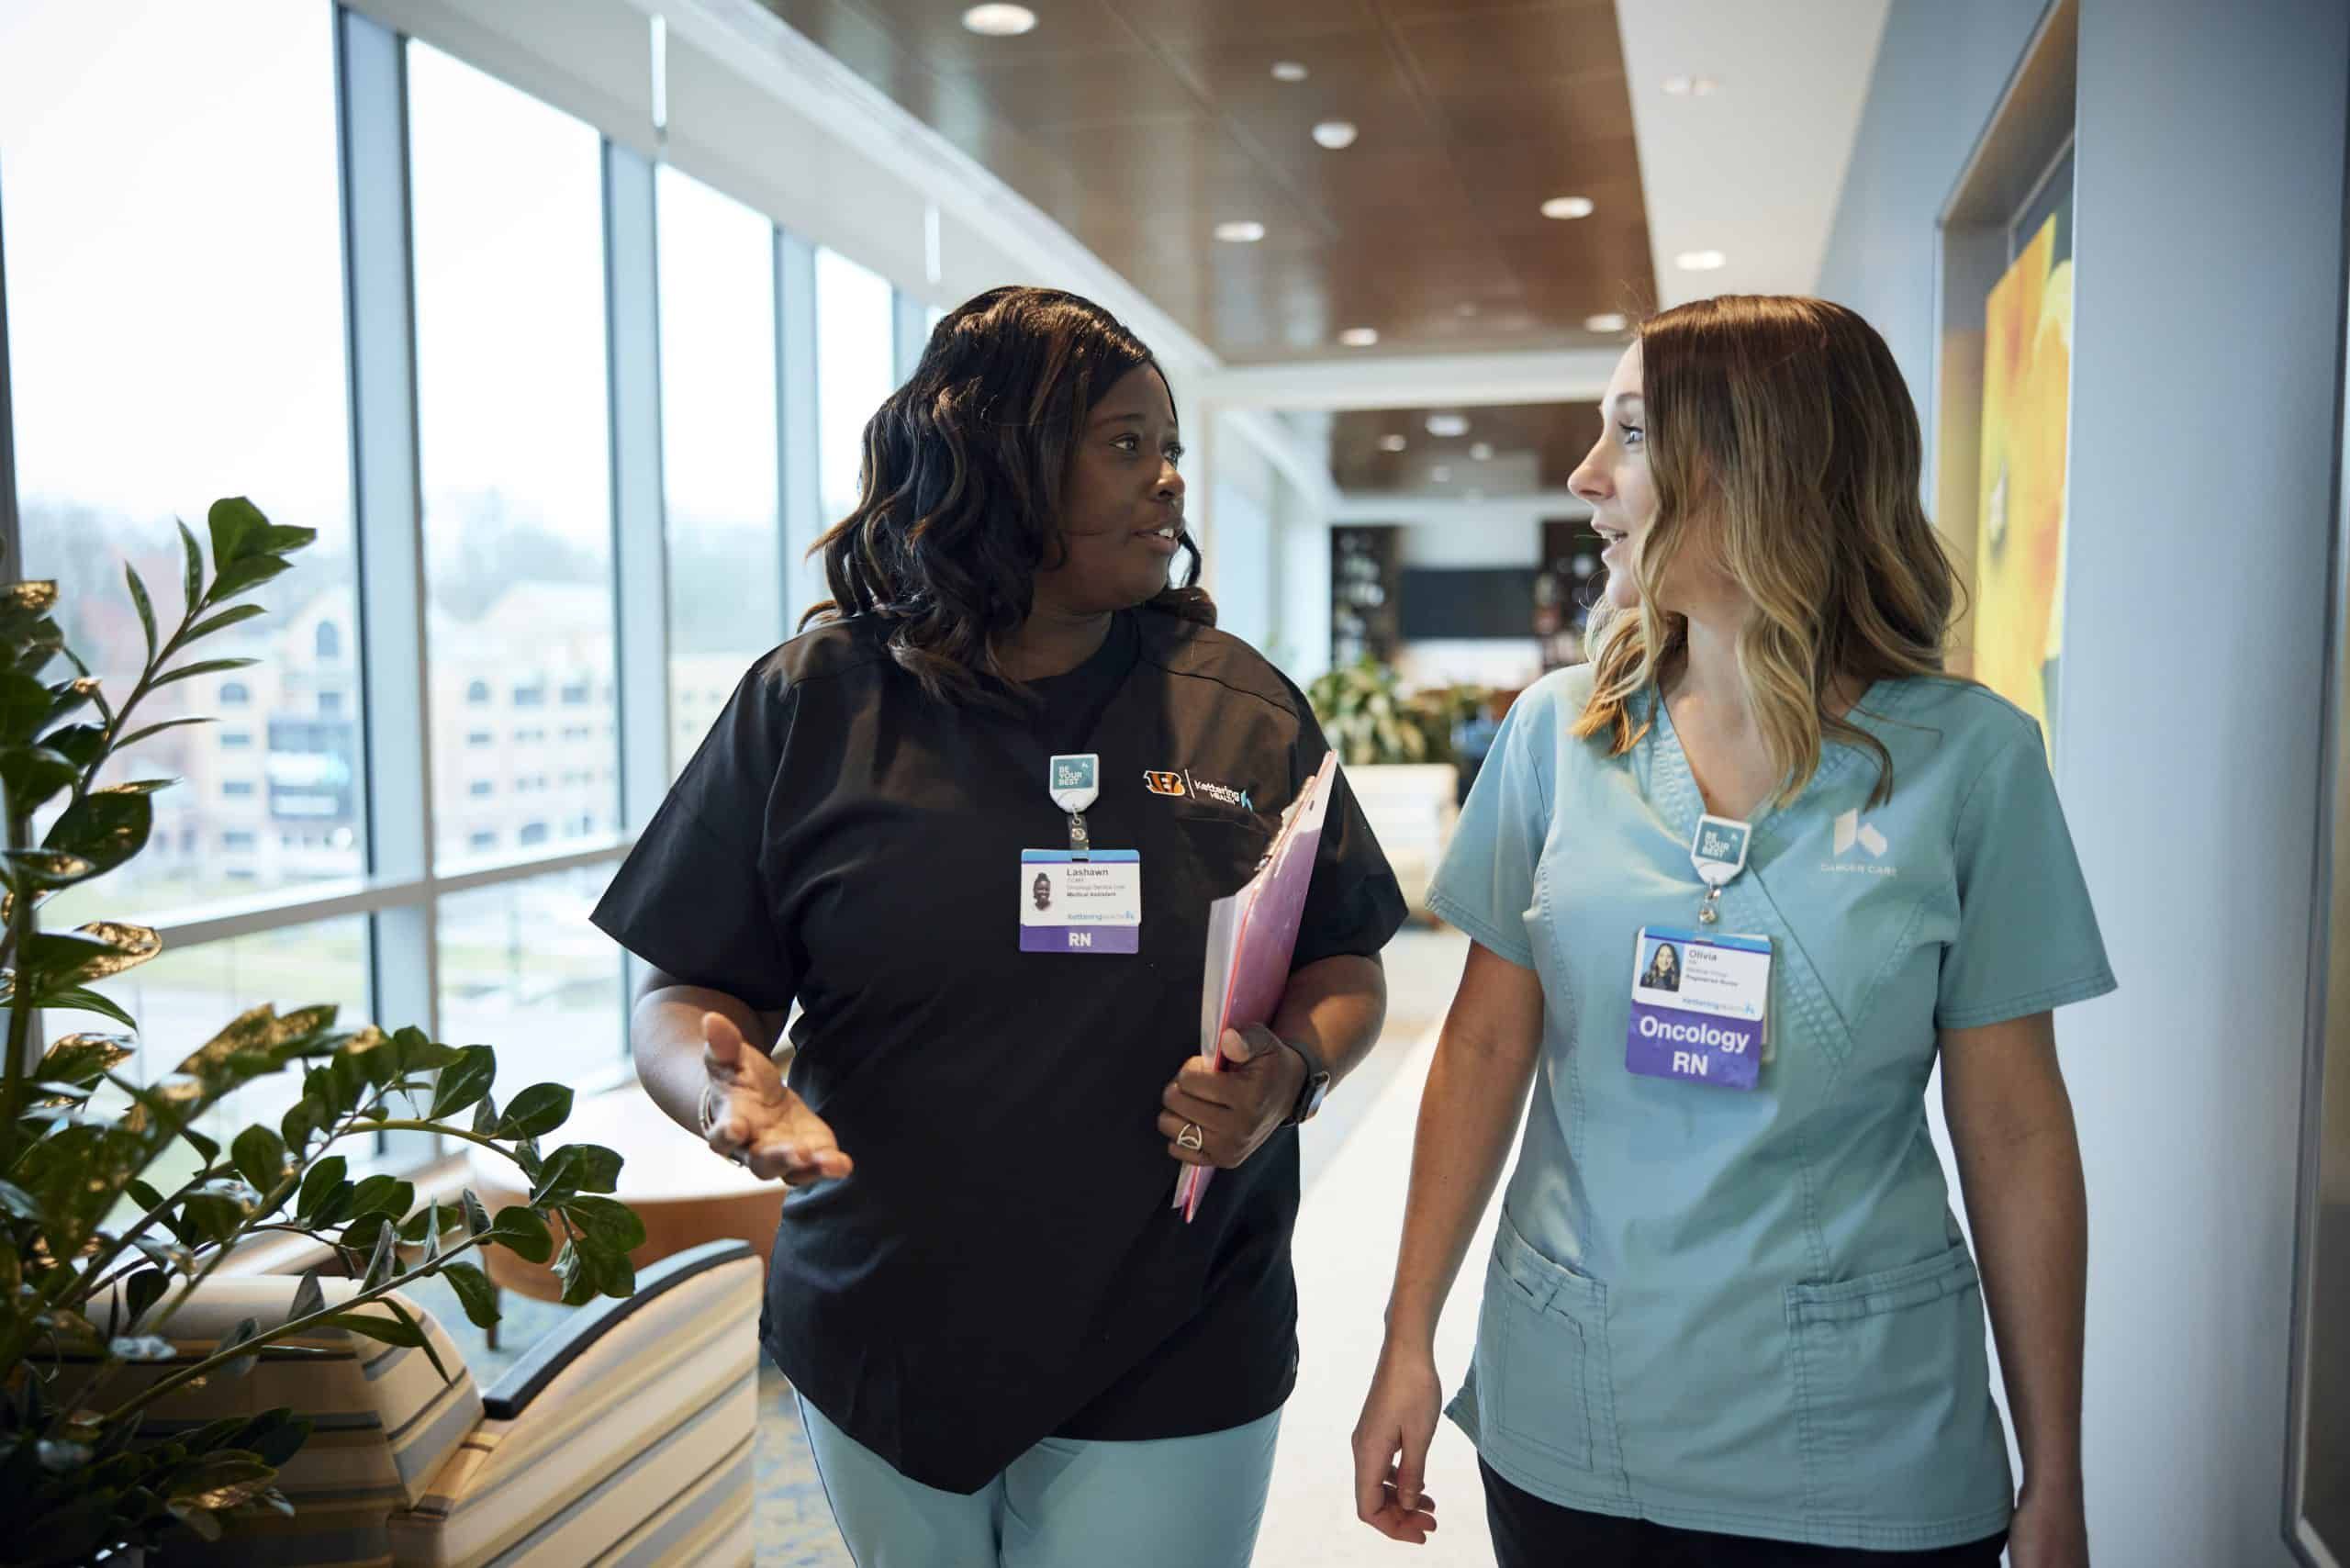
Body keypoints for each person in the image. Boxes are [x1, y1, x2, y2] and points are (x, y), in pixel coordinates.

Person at [592, 286, 1406, 1568]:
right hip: (886, 1323)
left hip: (1175, 1326)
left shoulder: (1237, 710)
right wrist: (722, 1093)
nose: (1171, 483)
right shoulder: (814, 705)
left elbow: (1345, 954)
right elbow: (682, 988)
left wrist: (1293, 1073)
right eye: (1127, 445)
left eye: (1171, 447)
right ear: (995, 462)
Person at [1352, 295, 2112, 1568]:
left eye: (1634, 433)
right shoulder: (1559, 738)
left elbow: (2017, 1125)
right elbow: (1481, 1053)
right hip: (1572, 1423)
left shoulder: (1971, 766)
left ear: (1764, 467)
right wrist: (1406, 1334)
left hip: (1860, 1443)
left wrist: (2057, 1476)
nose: (1588, 475)